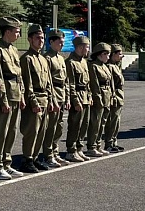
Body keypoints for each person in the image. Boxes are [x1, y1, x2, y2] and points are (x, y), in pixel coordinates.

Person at [0, 16, 25, 180]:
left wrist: (22, 95)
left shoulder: (13, 49)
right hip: (5, 96)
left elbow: (19, 75)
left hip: (16, 94)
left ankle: (7, 163)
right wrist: (3, 100)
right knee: (1, 132)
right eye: (17, 31)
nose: (18, 35)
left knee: (12, 131)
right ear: (8, 31)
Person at [18, 24, 50, 173]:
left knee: (41, 132)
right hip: (35, 99)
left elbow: (48, 82)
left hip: (44, 98)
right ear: (30, 39)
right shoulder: (26, 59)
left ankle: (35, 158)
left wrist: (50, 100)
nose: (40, 40)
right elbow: (27, 83)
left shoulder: (43, 59)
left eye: (42, 38)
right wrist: (33, 102)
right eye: (37, 38)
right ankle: (27, 159)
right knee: (32, 131)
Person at [43, 29, 70, 167]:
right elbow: (48, 81)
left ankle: (55, 152)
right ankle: (47, 155)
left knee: (59, 127)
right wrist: (52, 99)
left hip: (61, 94)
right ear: (51, 42)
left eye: (63, 42)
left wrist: (67, 98)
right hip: (53, 95)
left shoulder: (61, 58)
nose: (61, 44)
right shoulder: (47, 58)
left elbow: (65, 81)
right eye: (59, 41)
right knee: (51, 127)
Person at [65, 34, 92, 161]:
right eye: (87, 47)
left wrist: (90, 96)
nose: (88, 50)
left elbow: (87, 82)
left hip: (85, 96)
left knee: (84, 125)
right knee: (75, 125)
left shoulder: (84, 62)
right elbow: (71, 83)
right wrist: (75, 100)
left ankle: (79, 148)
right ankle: (71, 150)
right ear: (80, 47)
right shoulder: (71, 63)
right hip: (78, 96)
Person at [85, 42, 113, 157]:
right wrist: (97, 97)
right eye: (105, 54)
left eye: (108, 54)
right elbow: (95, 84)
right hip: (99, 95)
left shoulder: (105, 66)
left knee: (102, 123)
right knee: (95, 122)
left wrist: (111, 96)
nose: (108, 56)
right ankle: (91, 146)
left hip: (107, 95)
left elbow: (109, 83)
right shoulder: (94, 66)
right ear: (99, 54)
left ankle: (97, 144)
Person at [104, 44, 125, 152]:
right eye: (120, 53)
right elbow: (112, 85)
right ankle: (109, 143)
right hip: (115, 97)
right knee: (111, 122)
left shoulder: (116, 65)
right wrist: (113, 97)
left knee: (116, 122)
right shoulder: (110, 67)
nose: (122, 56)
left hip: (119, 96)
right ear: (113, 54)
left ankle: (113, 141)